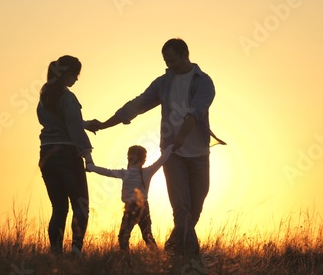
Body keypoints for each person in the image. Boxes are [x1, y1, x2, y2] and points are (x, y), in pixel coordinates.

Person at [91, 38, 225, 256]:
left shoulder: (203, 82)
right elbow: (138, 104)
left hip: (199, 153)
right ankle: (189, 256)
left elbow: (196, 112)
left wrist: (181, 136)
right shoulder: (163, 83)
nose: (170, 65)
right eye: (166, 61)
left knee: (195, 208)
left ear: (185, 55)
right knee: (181, 208)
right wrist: (106, 124)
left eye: (173, 60)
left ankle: (173, 247)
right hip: (172, 155)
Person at [37, 55, 97, 257]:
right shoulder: (67, 97)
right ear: (68, 74)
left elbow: (61, 122)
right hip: (67, 154)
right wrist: (87, 157)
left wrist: (87, 124)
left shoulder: (45, 95)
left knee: (59, 208)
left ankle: (55, 254)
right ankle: (76, 251)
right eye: (76, 75)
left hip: (46, 155)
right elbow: (73, 129)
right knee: (81, 205)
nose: (77, 79)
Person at [86, 144, 173, 251]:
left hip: (130, 208)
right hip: (144, 208)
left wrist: (90, 166)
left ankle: (127, 259)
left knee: (123, 237)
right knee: (147, 236)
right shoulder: (147, 172)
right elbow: (162, 160)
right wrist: (171, 145)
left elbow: (105, 171)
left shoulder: (125, 173)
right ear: (143, 159)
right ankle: (157, 258)